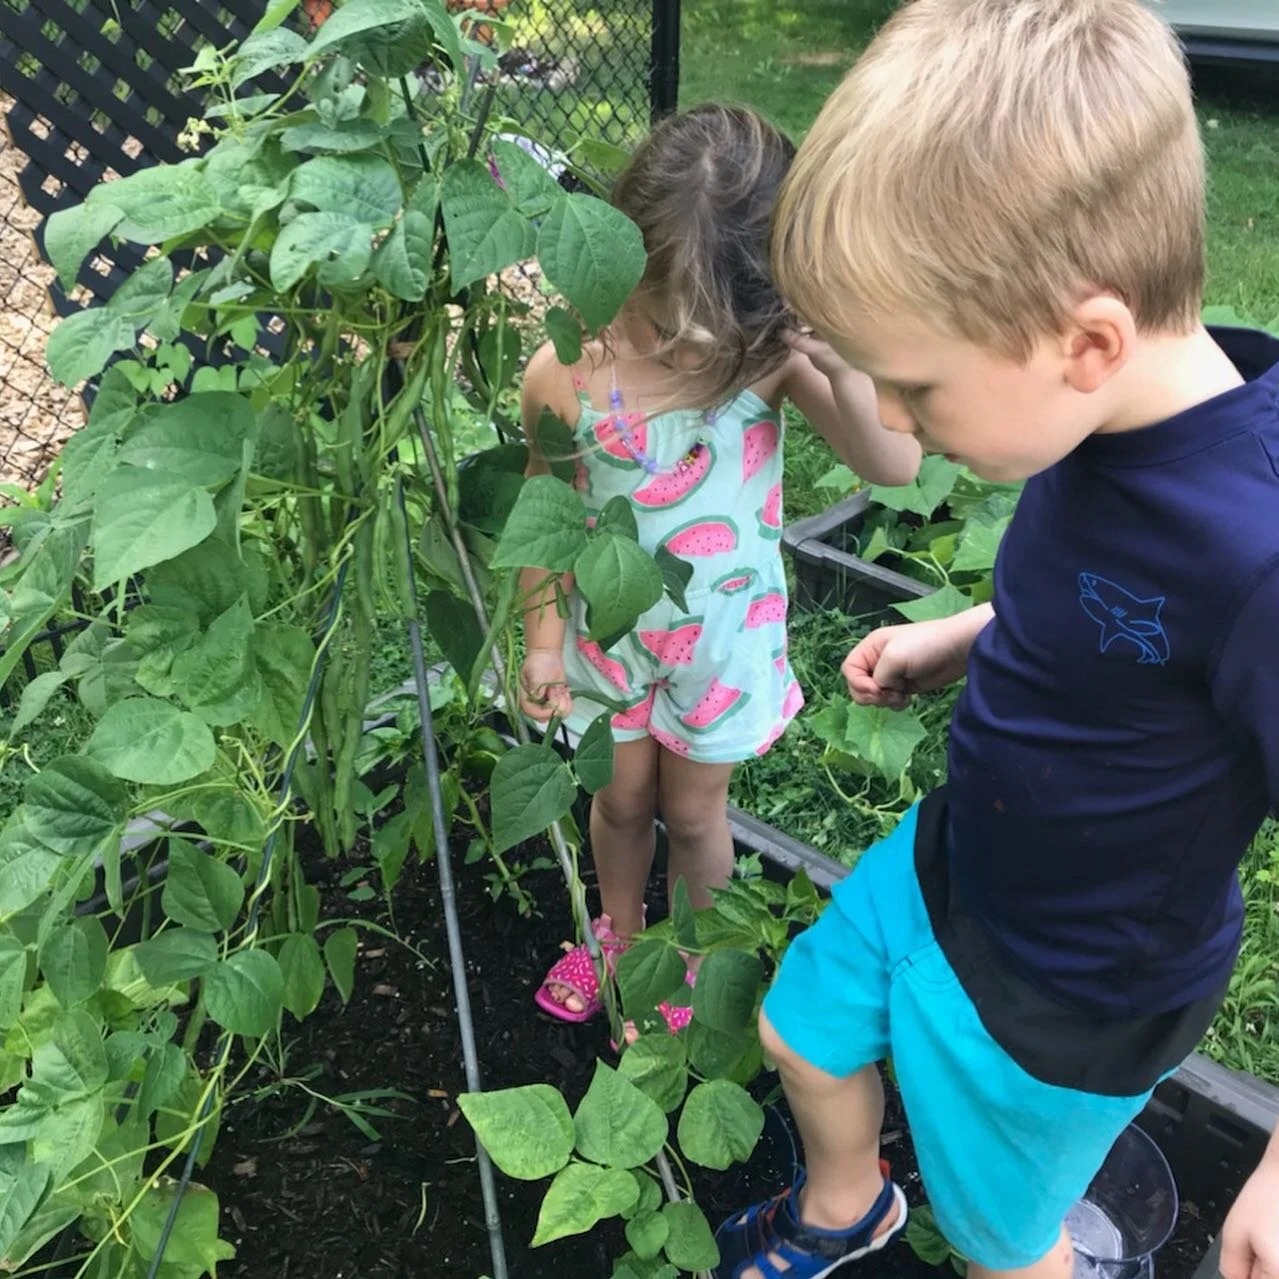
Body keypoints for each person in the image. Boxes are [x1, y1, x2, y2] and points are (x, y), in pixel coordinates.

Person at [713, 2, 1279, 1278]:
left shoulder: (1257, 554)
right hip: (959, 864)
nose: (897, 418)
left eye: (914, 385)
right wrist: (965, 633)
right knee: (805, 1032)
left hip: (1069, 994)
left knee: (997, 1239)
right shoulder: (1093, 418)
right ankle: (844, 1208)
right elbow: (1105, 605)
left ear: (1084, 342)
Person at [517, 104, 922, 1030]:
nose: (692, 348)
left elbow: (892, 467)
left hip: (722, 642)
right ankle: (615, 932)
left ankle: (695, 954)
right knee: (617, 802)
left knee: (697, 818)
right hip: (605, 640)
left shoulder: (771, 359)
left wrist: (848, 370)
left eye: (718, 330)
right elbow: (544, 518)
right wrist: (542, 643)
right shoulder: (565, 370)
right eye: (666, 320)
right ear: (618, 258)